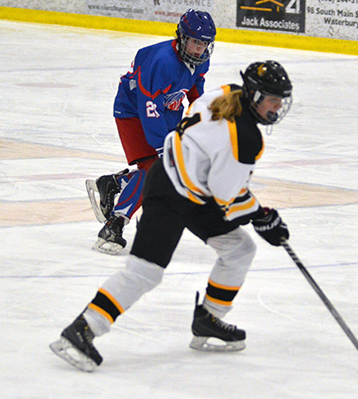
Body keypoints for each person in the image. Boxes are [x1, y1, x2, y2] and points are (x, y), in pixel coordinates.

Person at [50, 60, 294, 372]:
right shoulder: (247, 138)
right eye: (273, 99)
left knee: (239, 249)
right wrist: (263, 217)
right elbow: (226, 198)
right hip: (169, 193)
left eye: (280, 100)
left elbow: (215, 179)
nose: (277, 107)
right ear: (255, 95)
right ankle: (82, 330)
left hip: (190, 185)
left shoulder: (227, 93)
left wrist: (258, 214)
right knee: (145, 272)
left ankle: (209, 319)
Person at [85, 9, 217, 255]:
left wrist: (205, 119)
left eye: (204, 44)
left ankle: (114, 184)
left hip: (167, 109)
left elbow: (195, 87)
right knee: (156, 170)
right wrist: (160, 148)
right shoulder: (162, 62)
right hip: (133, 112)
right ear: (181, 37)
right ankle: (115, 223)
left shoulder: (200, 60)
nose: (199, 49)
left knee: (163, 170)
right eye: (195, 42)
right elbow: (148, 110)